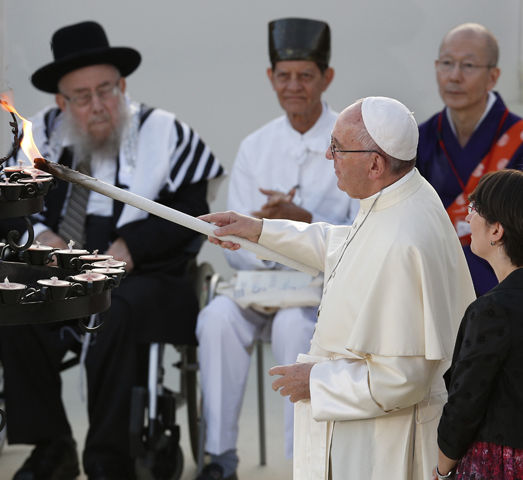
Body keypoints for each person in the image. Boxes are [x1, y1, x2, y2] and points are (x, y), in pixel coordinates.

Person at [0, 21, 224, 480]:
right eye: (82, 96)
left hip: (146, 272)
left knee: (113, 308)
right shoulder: (37, 138)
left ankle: (107, 458)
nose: (98, 106)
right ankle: (51, 445)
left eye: (106, 90)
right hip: (61, 264)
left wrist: (132, 246)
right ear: (62, 101)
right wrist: (40, 237)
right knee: (8, 299)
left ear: (122, 85)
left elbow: (192, 209)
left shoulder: (164, 131)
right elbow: (5, 206)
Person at [200, 97, 475, 480]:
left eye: (338, 148)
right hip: (373, 432)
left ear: (376, 164)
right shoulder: (402, 194)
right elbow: (344, 244)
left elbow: (403, 378)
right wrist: (258, 231)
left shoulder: (402, 241)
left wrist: (314, 380)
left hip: (384, 446)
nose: (329, 157)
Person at [194, 18, 357, 480]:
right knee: (216, 319)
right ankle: (219, 456)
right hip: (255, 285)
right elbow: (230, 245)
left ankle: (300, 461)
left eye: (305, 75)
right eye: (283, 76)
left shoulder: (350, 140)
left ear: (326, 78)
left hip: (319, 293)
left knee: (292, 326)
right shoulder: (255, 146)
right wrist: (264, 237)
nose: (293, 86)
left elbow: (362, 231)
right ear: (271, 78)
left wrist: (302, 225)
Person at [431, 169, 523, 480]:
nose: (467, 218)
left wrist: (442, 469)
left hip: (504, 466)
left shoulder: (491, 310)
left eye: (474, 209)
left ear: (497, 231)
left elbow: (464, 405)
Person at [418, 23, 523, 296]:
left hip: (503, 289)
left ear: (493, 76)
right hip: (431, 280)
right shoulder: (420, 139)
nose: (454, 76)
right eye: (446, 63)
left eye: (468, 65)